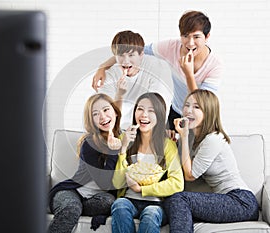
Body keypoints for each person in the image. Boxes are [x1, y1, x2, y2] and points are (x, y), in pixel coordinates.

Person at [92, 11, 222, 139]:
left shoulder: (214, 65)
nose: (190, 42)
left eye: (196, 37)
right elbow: (133, 50)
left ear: (207, 36)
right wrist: (103, 67)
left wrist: (188, 74)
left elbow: (202, 104)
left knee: (196, 152)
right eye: (185, 36)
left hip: (201, 116)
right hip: (177, 110)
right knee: (172, 149)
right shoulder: (171, 48)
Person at [163, 89, 259, 233]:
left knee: (180, 199)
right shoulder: (192, 140)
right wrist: (172, 139)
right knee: (170, 201)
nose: (188, 110)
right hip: (224, 199)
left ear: (208, 112)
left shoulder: (213, 139)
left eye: (196, 107)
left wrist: (182, 137)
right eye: (187, 105)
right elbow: (178, 168)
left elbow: (190, 175)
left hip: (241, 201)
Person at [48, 93, 122, 233]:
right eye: (95, 114)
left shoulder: (123, 138)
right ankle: (74, 207)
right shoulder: (89, 143)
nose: (102, 116)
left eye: (106, 110)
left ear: (115, 112)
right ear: (91, 120)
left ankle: (78, 207)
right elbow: (104, 183)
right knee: (72, 208)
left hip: (94, 200)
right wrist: (113, 152)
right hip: (72, 192)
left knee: (109, 202)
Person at [111, 92, 184, 233]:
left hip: (156, 204)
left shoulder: (167, 144)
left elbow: (177, 183)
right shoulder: (125, 138)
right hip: (128, 200)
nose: (144, 115)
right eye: (140, 109)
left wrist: (142, 190)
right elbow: (117, 183)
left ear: (160, 116)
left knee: (151, 214)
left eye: (151, 111)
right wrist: (123, 148)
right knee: (119, 204)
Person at [96, 30, 173, 129]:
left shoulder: (157, 68)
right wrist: (119, 95)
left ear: (141, 55)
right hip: (119, 129)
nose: (126, 61)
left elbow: (158, 109)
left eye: (131, 55)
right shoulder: (109, 75)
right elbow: (105, 115)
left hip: (148, 129)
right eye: (121, 55)